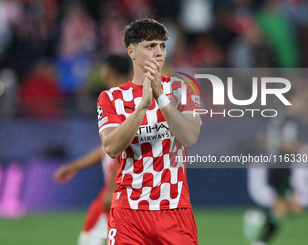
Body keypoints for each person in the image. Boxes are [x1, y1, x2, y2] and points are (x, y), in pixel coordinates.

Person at [97, 18, 201, 245]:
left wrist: (160, 98)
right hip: (128, 213)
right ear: (131, 51)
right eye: (150, 46)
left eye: (162, 46)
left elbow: (190, 137)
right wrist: (142, 105)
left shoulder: (181, 89)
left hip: (174, 209)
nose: (159, 52)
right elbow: (112, 147)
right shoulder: (111, 98)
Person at [53, 55, 132, 245]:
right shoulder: (127, 97)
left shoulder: (118, 100)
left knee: (89, 239)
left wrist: (113, 189)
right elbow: (108, 148)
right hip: (128, 190)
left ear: (107, 73)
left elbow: (124, 149)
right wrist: (76, 165)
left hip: (122, 191)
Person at [247, 90, 308, 245]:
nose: (300, 104)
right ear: (290, 101)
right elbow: (285, 144)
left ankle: (261, 238)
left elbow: (261, 139)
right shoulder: (290, 122)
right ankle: (259, 220)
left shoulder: (274, 118)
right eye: (298, 100)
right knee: (293, 208)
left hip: (274, 166)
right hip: (282, 168)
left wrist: (273, 150)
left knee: (285, 208)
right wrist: (303, 149)